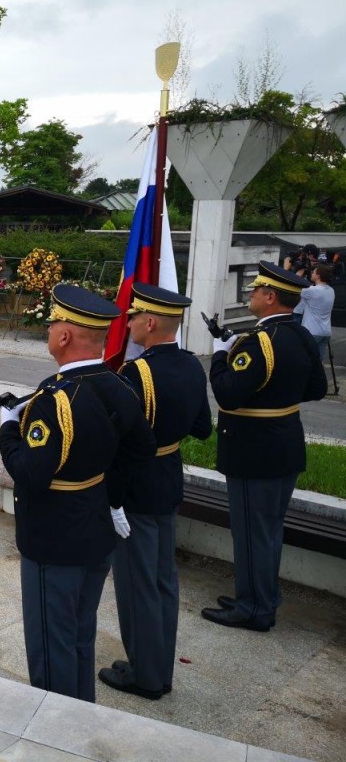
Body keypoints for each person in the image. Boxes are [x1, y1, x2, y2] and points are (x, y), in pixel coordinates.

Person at [0, 284, 156, 702]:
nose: (50, 330)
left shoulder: (55, 399)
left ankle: (55, 726)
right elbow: (141, 449)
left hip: (55, 539)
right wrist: (111, 495)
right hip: (95, 526)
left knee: (52, 647)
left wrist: (8, 427)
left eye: (53, 324)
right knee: (80, 635)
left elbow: (29, 473)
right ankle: (82, 713)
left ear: (65, 335)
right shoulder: (118, 384)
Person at [98, 284, 212, 701]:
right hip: (168, 479)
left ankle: (145, 676)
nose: (127, 323)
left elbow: (120, 444)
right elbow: (202, 428)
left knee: (138, 584)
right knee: (164, 581)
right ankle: (160, 669)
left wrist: (113, 499)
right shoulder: (192, 364)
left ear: (149, 322)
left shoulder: (137, 373)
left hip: (137, 488)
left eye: (133, 317)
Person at [203, 260, 326, 632]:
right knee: (268, 530)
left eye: (256, 290)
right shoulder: (300, 335)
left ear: (270, 297)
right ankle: (261, 597)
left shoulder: (260, 342)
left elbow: (227, 394)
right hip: (284, 444)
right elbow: (317, 389)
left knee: (251, 533)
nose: (252, 295)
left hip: (253, 452)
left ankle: (253, 608)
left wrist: (220, 353)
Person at [294, 264, 334, 363]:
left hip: (312, 332)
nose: (311, 273)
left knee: (304, 361)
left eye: (313, 272)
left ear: (318, 276)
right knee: (318, 363)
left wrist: (298, 275)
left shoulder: (312, 291)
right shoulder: (331, 290)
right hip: (326, 332)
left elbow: (294, 288)